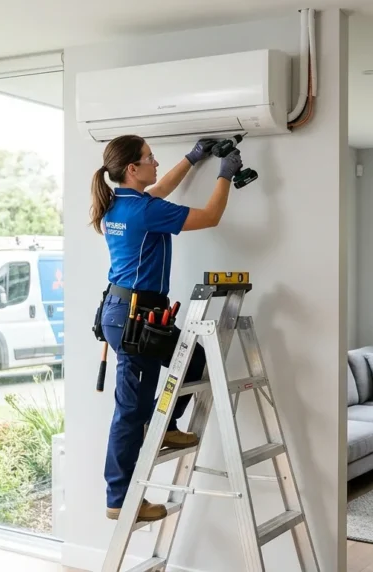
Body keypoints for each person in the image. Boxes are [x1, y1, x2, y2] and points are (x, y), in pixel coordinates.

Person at [91, 134, 244, 522]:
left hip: (120, 310)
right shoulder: (144, 211)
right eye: (150, 158)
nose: (155, 162)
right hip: (137, 317)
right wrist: (225, 174)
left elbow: (159, 189)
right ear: (132, 169)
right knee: (131, 411)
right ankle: (120, 500)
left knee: (191, 359)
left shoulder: (119, 204)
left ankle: (168, 426)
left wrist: (194, 158)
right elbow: (210, 216)